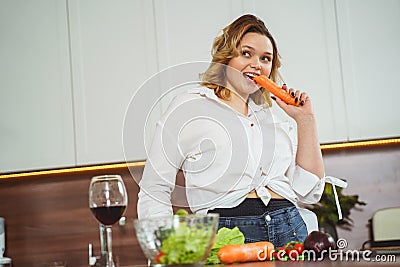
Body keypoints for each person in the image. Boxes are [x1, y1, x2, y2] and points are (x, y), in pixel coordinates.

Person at [136, 14, 346, 247]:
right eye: (246, 53)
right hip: (228, 235)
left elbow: (309, 192)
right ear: (226, 58)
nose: (257, 64)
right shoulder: (189, 108)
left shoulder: (275, 120)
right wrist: (166, 250)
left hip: (290, 229)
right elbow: (154, 188)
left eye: (265, 58)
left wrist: (306, 121)